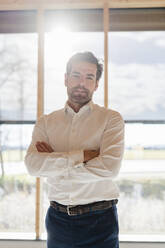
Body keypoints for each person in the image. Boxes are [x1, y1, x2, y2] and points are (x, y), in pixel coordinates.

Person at [25, 51, 125, 248]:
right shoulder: (46, 122)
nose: (82, 82)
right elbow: (33, 166)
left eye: (89, 77)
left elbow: (109, 168)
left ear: (96, 84)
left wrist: (54, 163)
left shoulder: (111, 120)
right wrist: (82, 156)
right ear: (66, 79)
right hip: (58, 221)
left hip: (100, 221)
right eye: (76, 75)